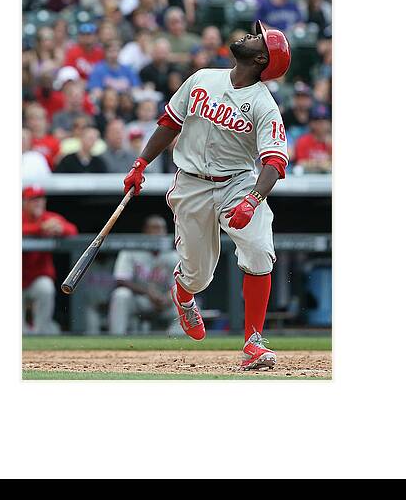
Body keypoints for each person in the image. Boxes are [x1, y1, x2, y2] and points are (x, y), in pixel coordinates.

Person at [123, 20, 291, 371]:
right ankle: (184, 294)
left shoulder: (263, 104)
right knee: (198, 274)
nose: (250, 35)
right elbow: (170, 122)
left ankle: (253, 342)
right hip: (192, 183)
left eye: (258, 38)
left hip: (238, 182)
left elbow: (274, 161)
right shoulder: (202, 78)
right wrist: (140, 163)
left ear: (261, 59)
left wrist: (253, 199)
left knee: (259, 249)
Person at [108, 216, 179, 335]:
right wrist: (147, 292)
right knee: (120, 294)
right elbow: (121, 280)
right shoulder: (131, 250)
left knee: (186, 302)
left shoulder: (173, 254)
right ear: (145, 231)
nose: (159, 232)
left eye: (162, 229)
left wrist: (167, 297)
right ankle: (116, 339)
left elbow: (179, 284)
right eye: (155, 228)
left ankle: (173, 344)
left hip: (164, 301)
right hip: (140, 299)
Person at [22, 186, 77, 334]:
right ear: (24, 202)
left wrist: (60, 229)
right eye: (33, 200)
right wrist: (39, 228)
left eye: (40, 199)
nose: (38, 203)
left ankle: (41, 333)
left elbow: (72, 230)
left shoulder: (49, 218)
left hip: (36, 278)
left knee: (45, 287)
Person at [293, 104, 332, 172]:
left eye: (324, 119)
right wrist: (322, 165)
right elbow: (300, 163)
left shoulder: (332, 142)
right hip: (307, 180)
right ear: (311, 123)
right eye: (317, 120)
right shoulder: (303, 140)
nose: (321, 123)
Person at [24, 103, 61, 170]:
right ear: (27, 121)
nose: (36, 122)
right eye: (32, 118)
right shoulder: (23, 141)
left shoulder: (54, 142)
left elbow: (56, 164)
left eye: (39, 118)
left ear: (46, 121)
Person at [282, 82, 314, 151]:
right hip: (290, 149)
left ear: (310, 100)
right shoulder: (286, 116)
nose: (301, 101)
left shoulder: (314, 115)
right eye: (299, 97)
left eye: (304, 97)